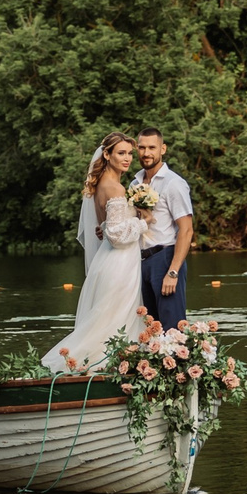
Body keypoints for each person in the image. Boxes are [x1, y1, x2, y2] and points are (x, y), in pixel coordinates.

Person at [41, 131, 150, 372]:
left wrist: (110, 227)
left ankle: (108, 368)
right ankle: (100, 368)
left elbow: (107, 228)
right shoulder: (115, 188)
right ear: (107, 155)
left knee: (109, 318)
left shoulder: (102, 185)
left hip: (110, 260)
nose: (127, 158)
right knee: (114, 320)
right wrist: (144, 222)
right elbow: (117, 236)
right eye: (121, 153)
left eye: (130, 154)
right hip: (119, 263)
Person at [132, 126, 194, 331]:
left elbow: (186, 230)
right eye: (142, 148)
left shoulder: (173, 183)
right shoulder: (134, 184)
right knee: (149, 331)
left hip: (165, 259)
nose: (146, 153)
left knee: (172, 329)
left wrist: (173, 272)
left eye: (152, 147)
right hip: (140, 263)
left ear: (163, 149)